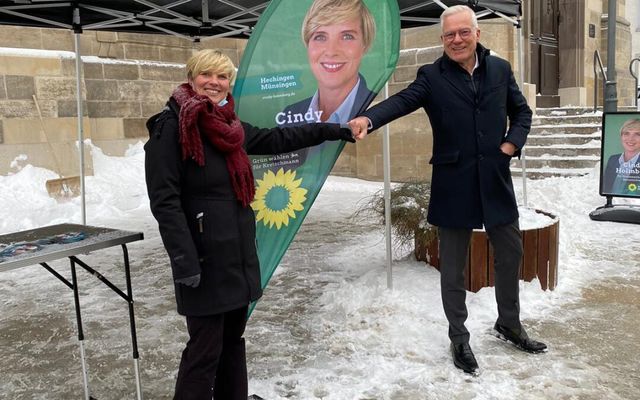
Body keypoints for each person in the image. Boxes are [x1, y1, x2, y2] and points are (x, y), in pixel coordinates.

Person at [348, 5, 547, 375]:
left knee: (511, 251)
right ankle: (459, 336)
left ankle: (509, 324)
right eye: (449, 34)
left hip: (494, 179)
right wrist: (369, 118)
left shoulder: (500, 69)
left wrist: (510, 146)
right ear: (442, 39)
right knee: (453, 267)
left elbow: (522, 113)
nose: (456, 39)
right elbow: (403, 101)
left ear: (477, 34)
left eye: (463, 32)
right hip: (453, 182)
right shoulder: (432, 76)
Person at [144, 49, 354, 399]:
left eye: (222, 76)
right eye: (206, 75)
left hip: (236, 257)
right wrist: (184, 260)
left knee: (232, 343)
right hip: (203, 261)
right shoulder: (172, 127)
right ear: (191, 77)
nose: (214, 82)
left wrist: (331, 130)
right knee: (204, 351)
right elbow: (164, 201)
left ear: (229, 83)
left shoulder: (230, 126)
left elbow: (277, 138)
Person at [277, 0, 376, 127]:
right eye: (320, 37)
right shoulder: (289, 116)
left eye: (347, 36)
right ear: (308, 45)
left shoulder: (378, 110)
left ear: (365, 44)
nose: (331, 51)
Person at [603, 118, 640, 195]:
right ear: (621, 136)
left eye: (637, 134)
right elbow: (606, 188)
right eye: (626, 133)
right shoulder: (613, 159)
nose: (630, 139)